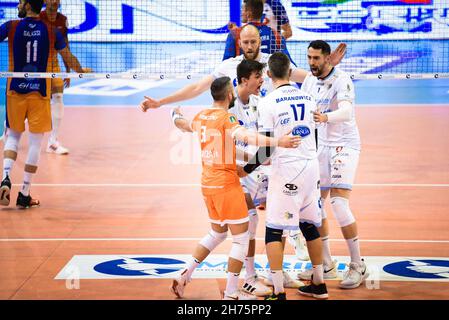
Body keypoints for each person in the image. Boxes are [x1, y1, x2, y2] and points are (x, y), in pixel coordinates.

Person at [168, 76, 300, 300]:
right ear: (229, 95)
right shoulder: (227, 118)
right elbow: (246, 136)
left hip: (207, 185)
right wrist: (279, 141)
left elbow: (183, 125)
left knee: (216, 234)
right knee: (241, 239)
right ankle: (231, 293)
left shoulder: (201, 116)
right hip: (227, 186)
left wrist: (174, 114)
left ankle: (184, 274)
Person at [242, 52, 328, 300]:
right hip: (311, 166)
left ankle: (278, 291)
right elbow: (314, 136)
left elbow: (267, 147)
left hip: (287, 170)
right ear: (290, 72)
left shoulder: (268, 102)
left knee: (274, 230)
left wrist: (246, 169)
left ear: (268, 74)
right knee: (310, 224)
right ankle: (319, 284)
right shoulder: (309, 97)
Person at [0, 0, 87, 208]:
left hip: (14, 90)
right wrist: (81, 70)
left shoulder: (10, 26)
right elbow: (68, 56)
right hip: (39, 92)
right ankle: (24, 193)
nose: (18, 5)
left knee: (13, 136)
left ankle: (5, 178)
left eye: (21, 2)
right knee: (35, 144)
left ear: (28, 5)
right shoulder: (50, 30)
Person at [297, 40, 369, 289]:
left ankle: (357, 265)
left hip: (345, 145)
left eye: (317, 58)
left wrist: (325, 117)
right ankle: (326, 264)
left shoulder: (342, 79)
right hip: (321, 146)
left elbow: (348, 112)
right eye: (309, 57)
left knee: (339, 203)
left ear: (327, 58)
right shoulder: (308, 80)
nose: (312, 62)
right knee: (314, 207)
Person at [140, 24, 346, 107]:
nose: (249, 46)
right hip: (242, 131)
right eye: (245, 42)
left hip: (269, 128)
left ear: (259, 42)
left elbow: (307, 76)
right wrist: (160, 102)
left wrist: (329, 66)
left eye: (253, 42)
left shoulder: (272, 62)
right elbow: (196, 88)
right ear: (240, 43)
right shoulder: (229, 66)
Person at [40, 0, 70, 155]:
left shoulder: (63, 19)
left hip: (54, 66)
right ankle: (9, 130)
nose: (55, 1)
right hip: (36, 67)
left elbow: (65, 44)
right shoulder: (38, 17)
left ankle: (52, 142)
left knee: (58, 97)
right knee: (32, 100)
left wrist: (68, 70)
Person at [223, 0, 294, 64]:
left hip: (271, 46)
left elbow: (288, 32)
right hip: (270, 42)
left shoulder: (276, 5)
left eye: (242, 10)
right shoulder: (237, 33)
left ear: (248, 13)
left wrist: (273, 40)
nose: (241, 12)